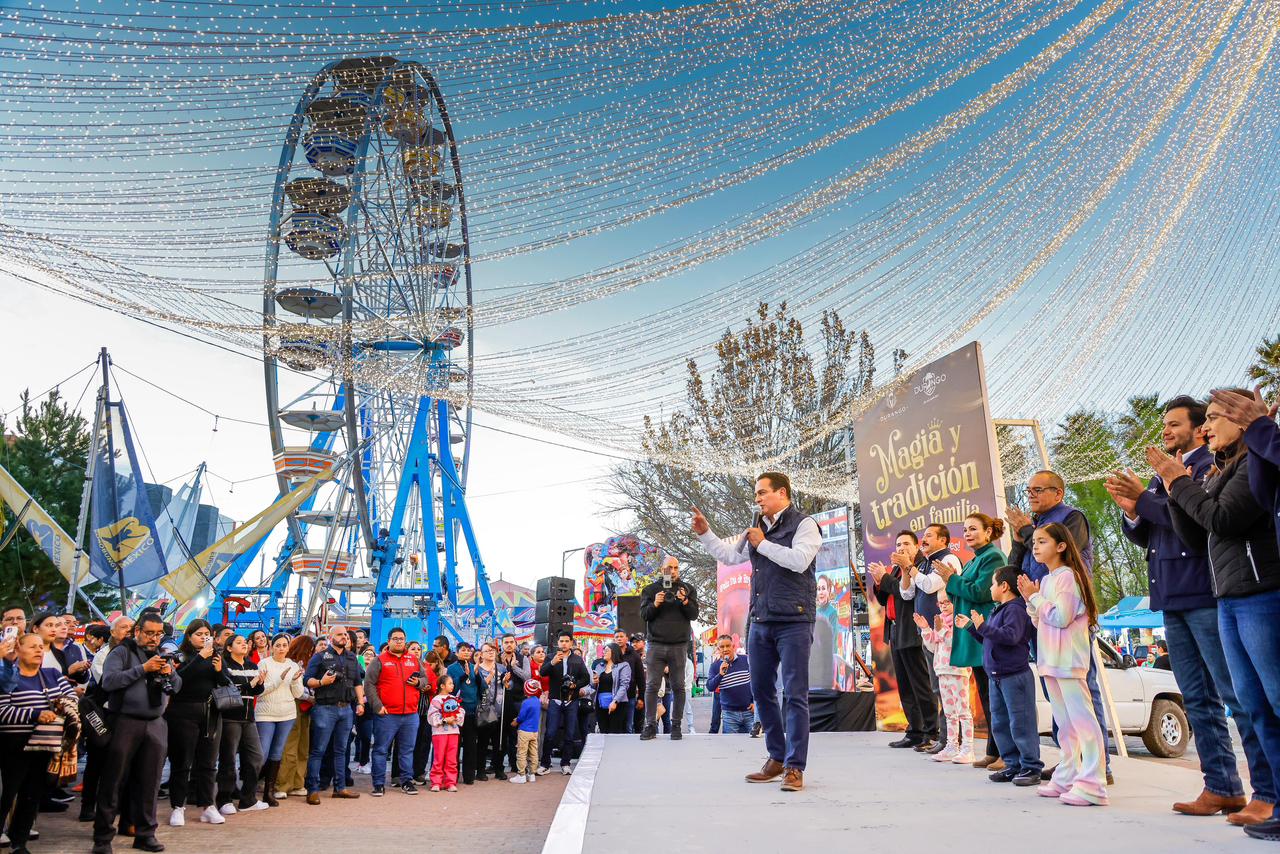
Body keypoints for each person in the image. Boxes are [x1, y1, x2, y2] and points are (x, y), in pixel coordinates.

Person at [1155, 387, 1280, 836]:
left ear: (1244, 420)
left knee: (1273, 699)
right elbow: (1197, 536)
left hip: (1260, 592)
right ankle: (1271, 797)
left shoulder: (1252, 465)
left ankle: (1269, 795)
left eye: (1213, 418)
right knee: (1254, 702)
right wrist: (1175, 487)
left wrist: (1180, 481)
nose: (1206, 427)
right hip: (1228, 593)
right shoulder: (1222, 469)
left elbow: (1226, 520)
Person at [693, 471, 821, 793]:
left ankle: (795, 766)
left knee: (794, 693)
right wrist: (706, 533)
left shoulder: (804, 524)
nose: (758, 498)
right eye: (756, 494)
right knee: (761, 690)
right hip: (760, 620)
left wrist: (763, 545)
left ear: (782, 492)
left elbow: (800, 560)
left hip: (794, 619)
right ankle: (776, 757)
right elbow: (730, 556)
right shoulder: (756, 528)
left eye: (763, 492)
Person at [1007, 470, 1113, 781]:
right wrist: (1020, 539)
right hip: (1041, 615)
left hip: (1068, 619)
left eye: (1039, 489)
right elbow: (1017, 569)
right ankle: (1070, 758)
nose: (1032, 496)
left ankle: (1098, 765)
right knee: (1055, 693)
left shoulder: (1072, 518)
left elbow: (1067, 557)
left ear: (1059, 493)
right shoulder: (1034, 527)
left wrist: (1027, 531)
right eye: (1029, 491)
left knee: (1081, 691)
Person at [1018, 523, 1107, 806]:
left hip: (1068, 659)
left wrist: (1034, 597)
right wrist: (1032, 598)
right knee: (1065, 724)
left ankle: (1093, 782)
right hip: (1050, 658)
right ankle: (1068, 774)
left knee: (1082, 721)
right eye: (1034, 541)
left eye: (1042, 541)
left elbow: (1061, 617)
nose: (1035, 546)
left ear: (1061, 546)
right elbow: (1040, 619)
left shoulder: (1068, 577)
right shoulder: (1046, 580)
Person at [94, 612, 181, 854]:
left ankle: (145, 834)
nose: (154, 638)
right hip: (125, 721)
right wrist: (143, 668)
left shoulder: (162, 655)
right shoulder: (121, 652)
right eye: (150, 633)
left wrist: (169, 674)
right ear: (138, 632)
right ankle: (102, 838)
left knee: (150, 782)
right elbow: (109, 682)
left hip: (155, 723)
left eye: (158, 634)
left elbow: (177, 686)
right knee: (114, 781)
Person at [931, 512, 1006, 769]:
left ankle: (1005, 752)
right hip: (973, 631)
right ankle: (994, 750)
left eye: (973, 528)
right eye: (965, 529)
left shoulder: (993, 557)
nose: (968, 533)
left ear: (988, 532)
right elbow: (965, 588)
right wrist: (951, 580)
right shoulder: (976, 559)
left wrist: (951, 579)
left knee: (993, 695)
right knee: (986, 694)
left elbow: (980, 592)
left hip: (985, 630)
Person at [958, 565, 1041, 786]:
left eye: (993, 583)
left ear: (1004, 586)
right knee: (1001, 723)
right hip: (997, 675)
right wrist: (973, 628)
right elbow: (991, 639)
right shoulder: (999, 609)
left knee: (1020, 723)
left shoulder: (1015, 609)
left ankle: (1030, 766)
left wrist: (983, 626)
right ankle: (1012, 764)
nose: (991, 587)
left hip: (1014, 675)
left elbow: (1011, 637)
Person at [0, 633, 76, 854]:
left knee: (31, 795)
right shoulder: (8, 677)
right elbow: (3, 711)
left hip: (45, 744)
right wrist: (35, 714)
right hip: (14, 745)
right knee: (6, 795)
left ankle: (19, 843)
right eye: (32, 646)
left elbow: (71, 699)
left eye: (40, 647)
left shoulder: (52, 674)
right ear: (17, 650)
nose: (38, 650)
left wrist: (61, 707)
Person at [869, 531, 937, 751]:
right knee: (905, 687)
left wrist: (886, 578)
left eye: (906, 543)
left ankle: (931, 731)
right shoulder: (897, 568)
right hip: (895, 631)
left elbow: (904, 593)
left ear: (916, 546)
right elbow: (884, 598)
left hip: (912, 630)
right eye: (898, 544)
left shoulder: (919, 566)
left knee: (921, 684)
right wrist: (879, 581)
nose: (901, 548)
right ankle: (914, 731)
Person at [165, 619, 231, 828]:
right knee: (182, 762)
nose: (203, 637)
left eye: (207, 633)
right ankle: (177, 806)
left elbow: (225, 683)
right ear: (189, 636)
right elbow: (178, 681)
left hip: (210, 713)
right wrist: (199, 658)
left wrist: (220, 669)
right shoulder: (181, 656)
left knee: (209, 763)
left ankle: (207, 805)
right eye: (199, 634)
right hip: (183, 712)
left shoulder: (215, 655)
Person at [911, 523, 961, 754]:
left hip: (945, 634)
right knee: (936, 685)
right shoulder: (925, 562)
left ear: (943, 540)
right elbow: (908, 592)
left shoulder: (948, 560)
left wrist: (911, 571)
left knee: (945, 688)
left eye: (929, 535)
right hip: (930, 632)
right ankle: (945, 738)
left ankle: (950, 739)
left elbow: (930, 586)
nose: (924, 538)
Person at [637, 555, 699, 741]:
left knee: (679, 686)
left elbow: (694, 615)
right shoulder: (650, 589)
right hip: (655, 644)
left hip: (679, 645)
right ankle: (650, 725)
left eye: (675, 568)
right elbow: (644, 615)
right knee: (652, 686)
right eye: (669, 567)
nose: (672, 571)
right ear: (661, 569)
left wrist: (686, 601)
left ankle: (676, 726)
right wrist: (655, 604)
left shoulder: (687, 589)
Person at [303, 626, 364, 805]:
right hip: (325, 708)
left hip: (346, 709)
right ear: (331, 638)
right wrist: (322, 682)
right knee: (318, 750)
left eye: (345, 634)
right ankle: (312, 789)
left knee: (341, 750)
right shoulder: (320, 656)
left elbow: (357, 682)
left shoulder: (352, 657)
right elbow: (307, 679)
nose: (344, 637)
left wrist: (360, 702)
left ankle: (340, 788)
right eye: (339, 634)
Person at [913, 588, 972, 763]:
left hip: (957, 670)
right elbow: (933, 647)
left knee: (963, 711)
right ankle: (951, 746)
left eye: (948, 601)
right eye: (940, 602)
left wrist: (942, 630)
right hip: (942, 670)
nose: (944, 606)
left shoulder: (959, 620)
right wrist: (926, 629)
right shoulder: (940, 620)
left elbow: (954, 643)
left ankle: (967, 747)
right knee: (949, 712)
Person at [363, 626, 422, 796]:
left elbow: (424, 678)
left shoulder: (413, 659)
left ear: (405, 641)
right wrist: (377, 706)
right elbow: (369, 684)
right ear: (389, 641)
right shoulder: (379, 660)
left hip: (410, 714)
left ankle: (406, 782)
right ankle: (379, 784)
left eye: (401, 638)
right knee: (381, 749)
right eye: (395, 638)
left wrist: (418, 683)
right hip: (387, 714)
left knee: (407, 750)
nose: (398, 641)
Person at [216, 633, 269, 815]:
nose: (244, 645)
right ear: (229, 648)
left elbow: (257, 691)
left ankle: (248, 799)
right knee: (228, 759)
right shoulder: (224, 665)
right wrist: (251, 684)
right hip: (230, 717)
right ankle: (224, 799)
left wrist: (259, 683)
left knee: (256, 757)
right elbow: (229, 688)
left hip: (249, 717)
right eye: (238, 643)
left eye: (245, 642)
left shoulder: (252, 665)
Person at [255, 632, 303, 806]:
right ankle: (250, 788)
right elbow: (260, 690)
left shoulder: (293, 666)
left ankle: (269, 792)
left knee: (277, 753)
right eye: (278, 645)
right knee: (263, 752)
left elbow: (298, 693)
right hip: (266, 713)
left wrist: (296, 681)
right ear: (272, 647)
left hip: (287, 714)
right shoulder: (264, 664)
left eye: (284, 645)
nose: (281, 648)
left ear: (288, 647)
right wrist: (279, 679)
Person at [538, 631, 590, 776]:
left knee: (570, 733)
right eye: (561, 641)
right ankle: (545, 763)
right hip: (555, 699)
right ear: (558, 643)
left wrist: (576, 685)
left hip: (572, 700)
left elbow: (586, 678)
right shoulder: (550, 657)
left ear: (571, 643)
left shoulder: (578, 659)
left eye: (567, 641)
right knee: (550, 733)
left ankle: (565, 763)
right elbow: (542, 672)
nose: (564, 644)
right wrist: (553, 662)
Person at [278, 634, 316, 798]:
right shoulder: (292, 664)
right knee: (291, 746)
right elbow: (296, 689)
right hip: (295, 704)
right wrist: (310, 697)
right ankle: (283, 784)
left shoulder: (305, 663)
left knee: (302, 746)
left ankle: (297, 783)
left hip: (304, 706)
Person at [446, 642, 483, 784]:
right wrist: (464, 676)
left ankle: (469, 776)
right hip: (455, 713)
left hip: (472, 712)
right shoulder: (452, 668)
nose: (466, 652)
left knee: (470, 745)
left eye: (469, 650)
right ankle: (452, 776)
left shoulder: (475, 667)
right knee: (454, 746)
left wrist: (478, 676)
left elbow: (482, 688)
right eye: (463, 650)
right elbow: (450, 688)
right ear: (457, 652)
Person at [706, 635, 753, 733]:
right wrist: (720, 674)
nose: (725, 649)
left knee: (755, 743)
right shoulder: (715, 666)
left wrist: (755, 703)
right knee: (730, 745)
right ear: (718, 649)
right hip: (729, 715)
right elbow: (710, 687)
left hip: (750, 712)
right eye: (722, 647)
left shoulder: (746, 660)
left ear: (733, 646)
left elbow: (756, 682)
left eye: (728, 646)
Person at [474, 642, 507, 780]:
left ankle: (499, 768)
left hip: (500, 709)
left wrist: (507, 682)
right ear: (481, 654)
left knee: (499, 742)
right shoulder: (478, 670)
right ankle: (480, 770)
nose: (491, 652)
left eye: (492, 650)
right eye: (487, 650)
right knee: (482, 742)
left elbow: (507, 686)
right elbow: (477, 688)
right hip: (484, 710)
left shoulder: (501, 667)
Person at [412, 648, 443, 785]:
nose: (416, 651)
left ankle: (417, 772)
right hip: (416, 709)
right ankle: (413, 772)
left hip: (424, 709)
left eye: (418, 649)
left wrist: (428, 687)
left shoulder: (428, 670)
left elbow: (432, 687)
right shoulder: (429, 670)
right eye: (413, 649)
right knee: (416, 743)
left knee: (421, 743)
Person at [427, 675, 462, 792]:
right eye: (450, 683)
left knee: (452, 758)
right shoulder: (436, 700)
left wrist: (455, 717)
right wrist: (443, 720)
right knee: (439, 757)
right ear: (442, 686)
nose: (452, 685)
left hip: (453, 732)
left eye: (452, 683)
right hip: (439, 733)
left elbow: (461, 712)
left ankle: (450, 782)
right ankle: (436, 782)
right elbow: (432, 716)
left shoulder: (454, 699)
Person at [591, 642, 632, 734]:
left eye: (606, 651)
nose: (604, 653)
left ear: (614, 652)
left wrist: (615, 701)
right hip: (600, 704)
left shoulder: (624, 665)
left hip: (618, 704)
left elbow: (624, 685)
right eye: (603, 651)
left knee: (615, 732)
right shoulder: (599, 666)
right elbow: (594, 687)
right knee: (603, 731)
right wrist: (595, 682)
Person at [509, 677, 543, 784]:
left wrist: (515, 721)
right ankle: (532, 774)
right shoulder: (538, 701)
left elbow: (521, 717)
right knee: (533, 753)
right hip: (534, 731)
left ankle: (521, 775)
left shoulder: (526, 703)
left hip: (524, 731)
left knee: (522, 753)